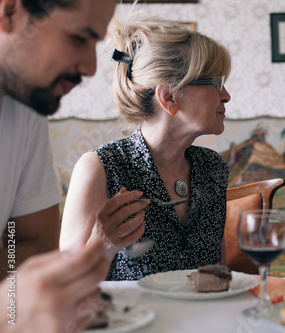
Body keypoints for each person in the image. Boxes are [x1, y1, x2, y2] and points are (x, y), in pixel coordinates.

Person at [60, 14, 232, 280]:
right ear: (169, 97)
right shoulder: (101, 168)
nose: (226, 95)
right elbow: (66, 283)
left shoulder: (213, 167)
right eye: (215, 83)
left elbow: (218, 269)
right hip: (130, 320)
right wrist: (103, 244)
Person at [0, 0, 138, 331]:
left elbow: (28, 240)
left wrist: (16, 307)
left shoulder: (26, 106)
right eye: (79, 38)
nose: (91, 67)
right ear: (10, 12)